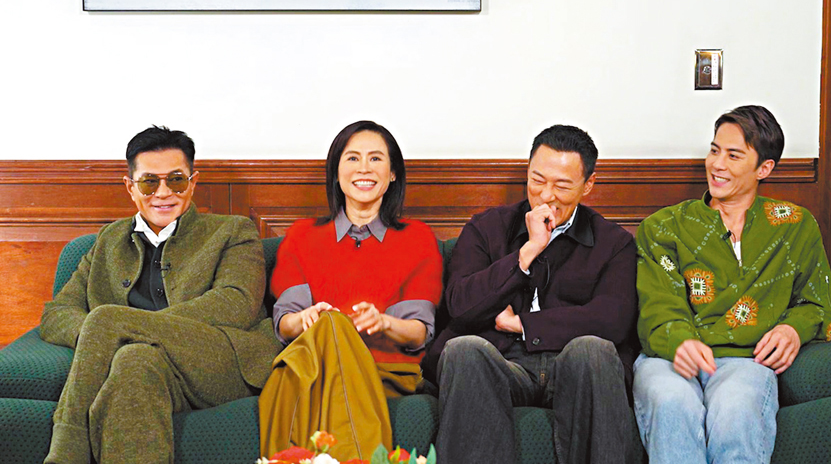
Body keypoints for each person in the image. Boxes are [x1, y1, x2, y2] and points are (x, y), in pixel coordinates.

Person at [40, 126, 280, 464]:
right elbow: (57, 313)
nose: (164, 193)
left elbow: (236, 303)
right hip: (147, 364)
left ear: (193, 182)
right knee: (134, 359)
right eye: (150, 182)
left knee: (109, 320)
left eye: (176, 180)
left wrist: (123, 327)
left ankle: (66, 453)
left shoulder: (232, 231)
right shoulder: (108, 241)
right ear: (131, 187)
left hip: (220, 362)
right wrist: (102, 338)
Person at [633, 105, 831, 463]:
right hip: (669, 357)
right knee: (671, 403)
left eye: (733, 155)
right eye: (714, 150)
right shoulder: (664, 227)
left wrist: (792, 330)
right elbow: (658, 303)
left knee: (736, 409)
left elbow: (820, 303)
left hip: (745, 359)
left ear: (764, 168)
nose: (717, 164)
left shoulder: (795, 226)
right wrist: (680, 339)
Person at [425, 125, 638, 464]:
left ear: (588, 184)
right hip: (503, 361)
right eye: (538, 180)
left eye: (562, 186)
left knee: (593, 350)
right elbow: (460, 306)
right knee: (463, 350)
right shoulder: (486, 227)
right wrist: (528, 252)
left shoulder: (615, 243)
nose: (546, 196)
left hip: (573, 366)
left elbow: (612, 320)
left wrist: (523, 324)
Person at [259, 121, 443, 461]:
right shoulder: (302, 237)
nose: (364, 169)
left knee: (334, 325)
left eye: (376, 159)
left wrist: (383, 322)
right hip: (314, 368)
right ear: (336, 171)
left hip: (384, 372)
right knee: (329, 327)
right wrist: (307, 319)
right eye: (353, 158)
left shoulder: (416, 239)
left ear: (392, 174)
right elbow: (285, 324)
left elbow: (418, 333)